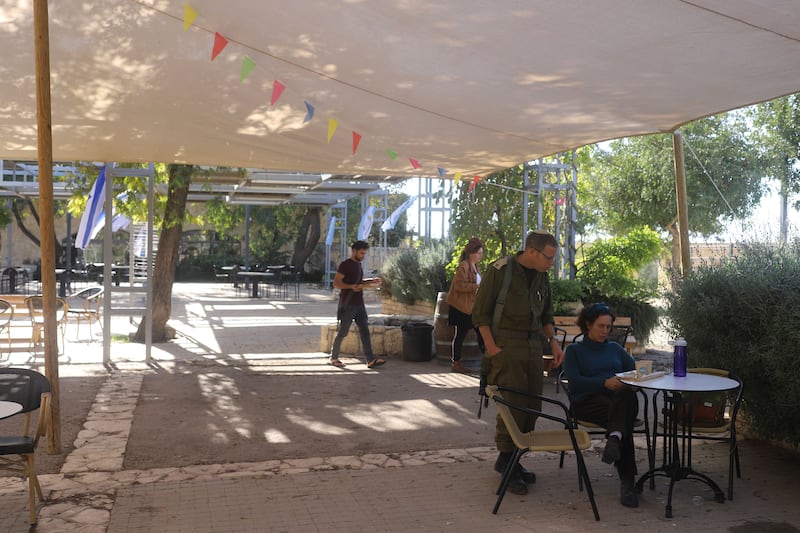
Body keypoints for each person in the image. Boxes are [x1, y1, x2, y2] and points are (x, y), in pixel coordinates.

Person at [472, 230, 564, 496]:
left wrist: (554, 343)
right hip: (506, 347)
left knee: (532, 405)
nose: (551, 263)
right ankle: (507, 462)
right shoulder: (500, 271)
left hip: (534, 346)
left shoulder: (542, 276)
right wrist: (493, 348)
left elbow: (546, 315)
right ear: (532, 251)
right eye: (548, 257)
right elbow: (480, 314)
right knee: (512, 405)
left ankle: (512, 459)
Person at [562, 302, 640, 507]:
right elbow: (574, 380)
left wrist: (623, 380)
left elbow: (633, 371)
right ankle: (628, 481)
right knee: (624, 422)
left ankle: (614, 438)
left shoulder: (615, 348)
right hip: (586, 402)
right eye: (601, 326)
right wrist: (603, 382)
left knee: (625, 399)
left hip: (615, 400)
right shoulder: (574, 351)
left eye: (608, 327)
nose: (605, 331)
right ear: (588, 324)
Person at [329, 240, 386, 369]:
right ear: (353, 251)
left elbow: (359, 282)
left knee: (365, 331)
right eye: (361, 253)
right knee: (343, 332)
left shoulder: (358, 266)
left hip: (360, 305)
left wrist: (372, 281)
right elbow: (336, 283)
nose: (363, 256)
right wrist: (351, 287)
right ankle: (334, 357)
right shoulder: (345, 265)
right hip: (348, 304)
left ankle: (370, 360)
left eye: (364, 254)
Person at [445, 238, 485, 374]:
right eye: (478, 253)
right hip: (462, 308)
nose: (481, 256)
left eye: (481, 253)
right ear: (471, 253)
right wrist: (477, 287)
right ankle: (456, 363)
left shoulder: (474, 266)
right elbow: (459, 285)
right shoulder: (464, 266)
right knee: (466, 334)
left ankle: (485, 362)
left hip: (470, 307)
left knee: (478, 333)